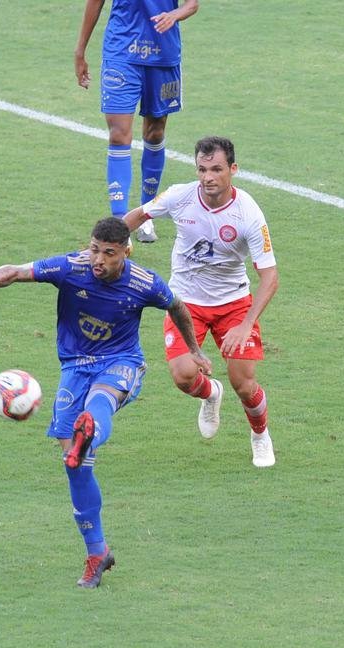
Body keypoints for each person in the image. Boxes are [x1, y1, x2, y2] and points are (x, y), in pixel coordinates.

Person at [0, 217, 210, 588]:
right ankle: (97, 552)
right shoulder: (72, 267)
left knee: (101, 401)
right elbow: (15, 271)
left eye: (108, 253)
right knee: (75, 466)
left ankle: (90, 430)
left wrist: (194, 350)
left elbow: (177, 307)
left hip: (122, 362)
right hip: (74, 368)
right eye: (94, 249)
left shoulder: (144, 282)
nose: (98, 259)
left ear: (125, 252)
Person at [123, 136, 279, 468]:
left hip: (233, 305)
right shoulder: (180, 197)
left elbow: (270, 276)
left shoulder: (248, 213)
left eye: (216, 169)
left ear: (233, 170)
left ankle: (260, 435)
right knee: (182, 376)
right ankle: (210, 394)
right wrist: (106, 242)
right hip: (185, 303)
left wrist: (247, 322)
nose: (208, 177)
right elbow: (137, 216)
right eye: (202, 169)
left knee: (244, 383)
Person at [74, 0, 199, 242]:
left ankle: (146, 215)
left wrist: (174, 15)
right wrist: (80, 51)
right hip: (121, 52)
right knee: (119, 134)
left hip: (163, 55)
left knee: (155, 132)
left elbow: (192, 4)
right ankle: (121, 224)